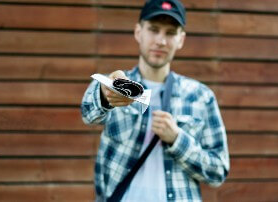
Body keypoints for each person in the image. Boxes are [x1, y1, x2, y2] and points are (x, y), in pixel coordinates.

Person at [81, 0, 229, 201]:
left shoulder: (201, 96)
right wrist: (106, 97)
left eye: (170, 33)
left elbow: (218, 172)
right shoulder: (114, 84)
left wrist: (177, 139)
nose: (161, 41)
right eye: (153, 29)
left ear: (181, 39)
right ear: (138, 32)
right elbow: (88, 113)